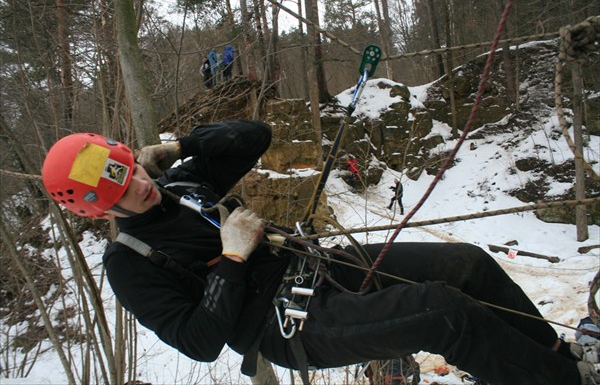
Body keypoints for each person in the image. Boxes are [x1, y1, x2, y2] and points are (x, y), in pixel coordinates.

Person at [41, 119, 600, 385]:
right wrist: (232, 262)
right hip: (285, 327)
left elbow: (254, 136)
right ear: (99, 210)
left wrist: (180, 146)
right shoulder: (129, 262)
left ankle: (559, 357)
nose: (139, 185)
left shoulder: (183, 182)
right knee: (441, 312)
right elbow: (199, 342)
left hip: (316, 264)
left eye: (129, 169)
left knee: (467, 263)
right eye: (120, 191)